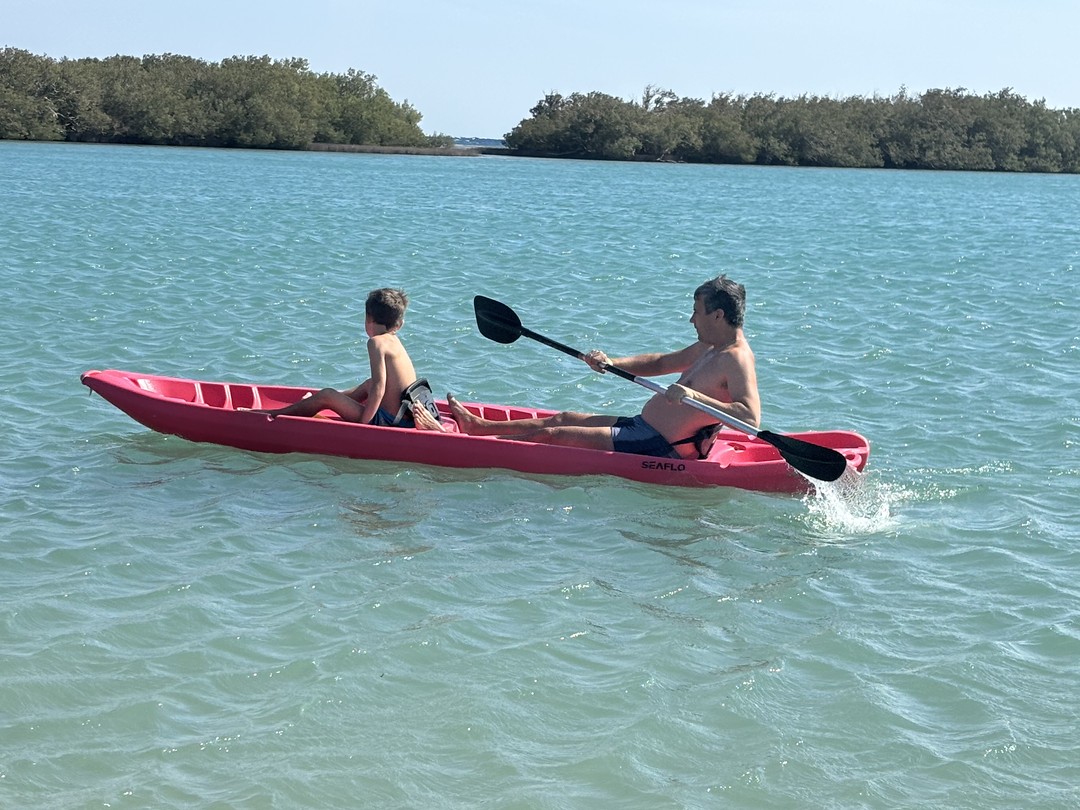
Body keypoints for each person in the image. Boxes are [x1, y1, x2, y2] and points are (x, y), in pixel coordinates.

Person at [440, 275, 761, 459]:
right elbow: (661, 362)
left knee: (553, 435)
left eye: (697, 312)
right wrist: (611, 362)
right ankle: (479, 428)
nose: (692, 319)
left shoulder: (736, 358)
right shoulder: (710, 346)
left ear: (718, 315)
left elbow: (749, 419)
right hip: (642, 427)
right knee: (563, 418)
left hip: (660, 447)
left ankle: (471, 450)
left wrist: (694, 396)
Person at [250, 287, 441, 428]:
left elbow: (379, 387)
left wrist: (365, 424)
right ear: (399, 324)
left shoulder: (376, 342)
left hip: (387, 421)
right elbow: (376, 385)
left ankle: (274, 414)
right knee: (367, 384)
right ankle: (323, 401)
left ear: (368, 319)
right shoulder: (394, 341)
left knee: (327, 395)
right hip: (403, 417)